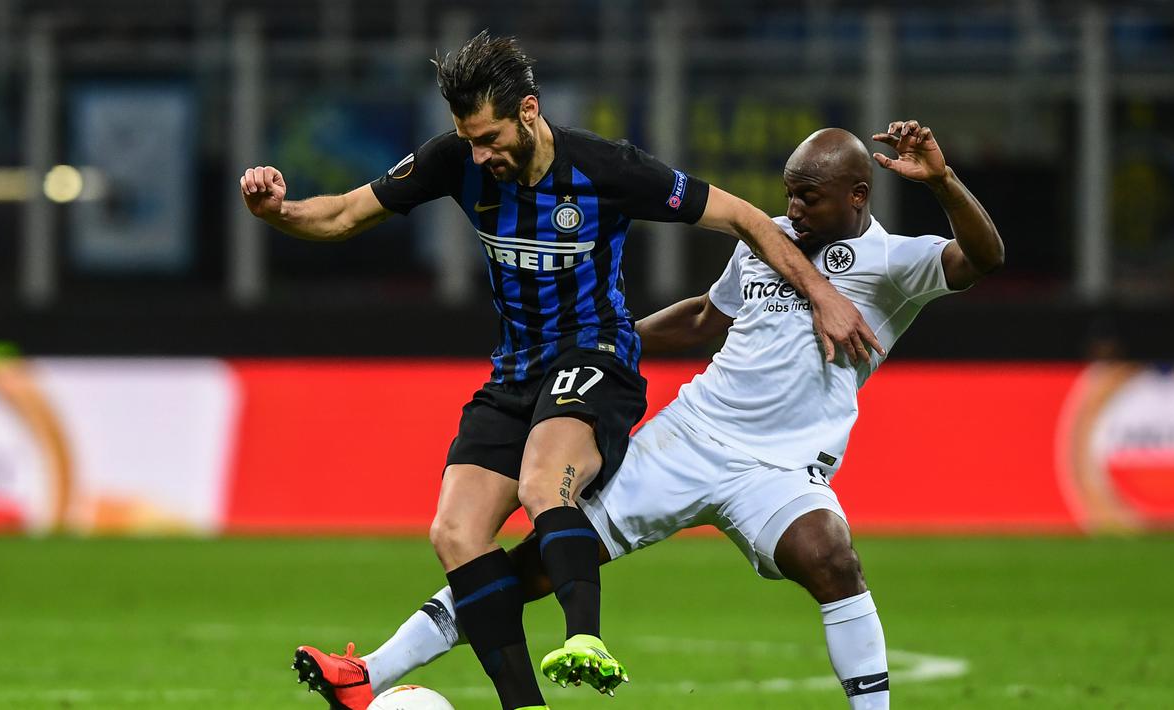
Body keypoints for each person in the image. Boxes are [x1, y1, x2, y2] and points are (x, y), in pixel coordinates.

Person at [240, 32, 880, 710]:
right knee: (454, 534)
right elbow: (341, 215)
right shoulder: (454, 161)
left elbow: (746, 218)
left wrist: (822, 292)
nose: (478, 154)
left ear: (528, 111)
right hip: (515, 371)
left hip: (594, 355)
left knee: (546, 482)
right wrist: (277, 211)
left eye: (487, 137)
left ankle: (585, 639)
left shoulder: (607, 169)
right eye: (467, 139)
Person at [308, 120, 1004, 710]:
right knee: (541, 561)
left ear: (857, 194)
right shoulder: (767, 248)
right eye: (788, 194)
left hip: (779, 467)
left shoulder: (891, 263)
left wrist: (941, 183)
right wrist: (608, 340)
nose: (793, 209)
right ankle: (370, 672)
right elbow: (705, 316)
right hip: (689, 435)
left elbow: (982, 258)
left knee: (831, 559)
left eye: (810, 198)